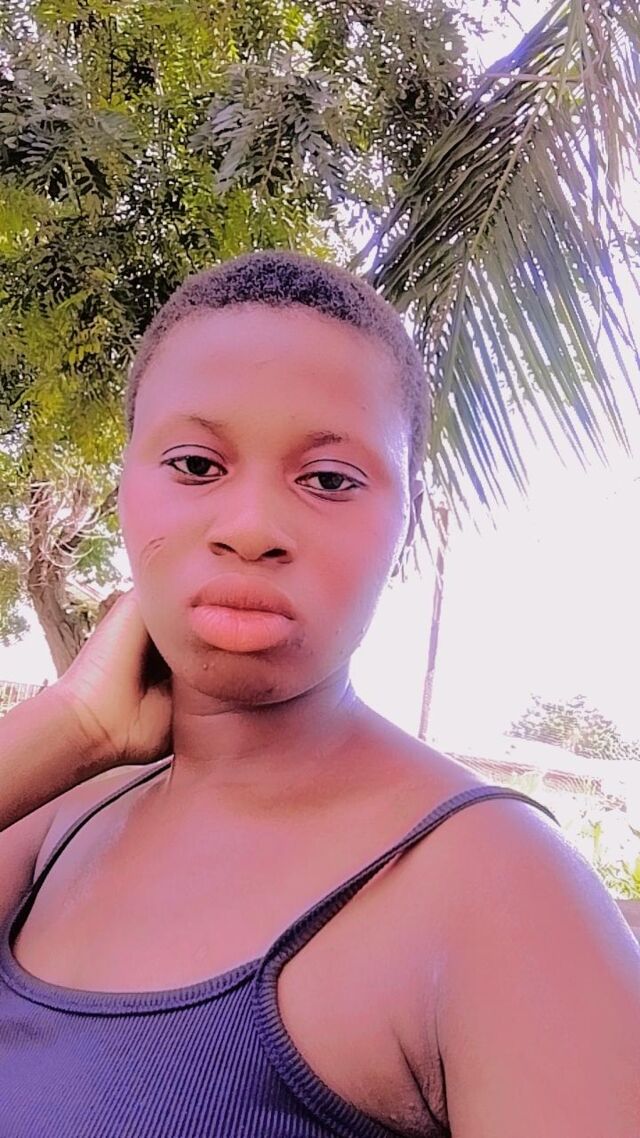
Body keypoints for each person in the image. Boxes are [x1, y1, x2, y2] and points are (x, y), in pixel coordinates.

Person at [0, 249, 638, 1137]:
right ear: (125, 485)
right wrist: (70, 726)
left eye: (330, 479)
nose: (251, 528)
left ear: (406, 522)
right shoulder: (57, 821)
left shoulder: (500, 892)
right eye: (195, 464)